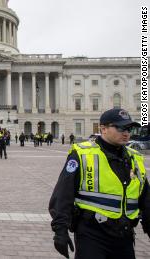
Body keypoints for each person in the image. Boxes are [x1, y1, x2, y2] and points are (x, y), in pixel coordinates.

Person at [49, 108, 150, 259]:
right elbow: (64, 193)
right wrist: (60, 230)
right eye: (120, 127)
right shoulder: (83, 154)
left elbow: (145, 197)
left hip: (125, 235)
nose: (126, 133)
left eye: (129, 128)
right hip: (92, 234)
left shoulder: (135, 158)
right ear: (103, 128)